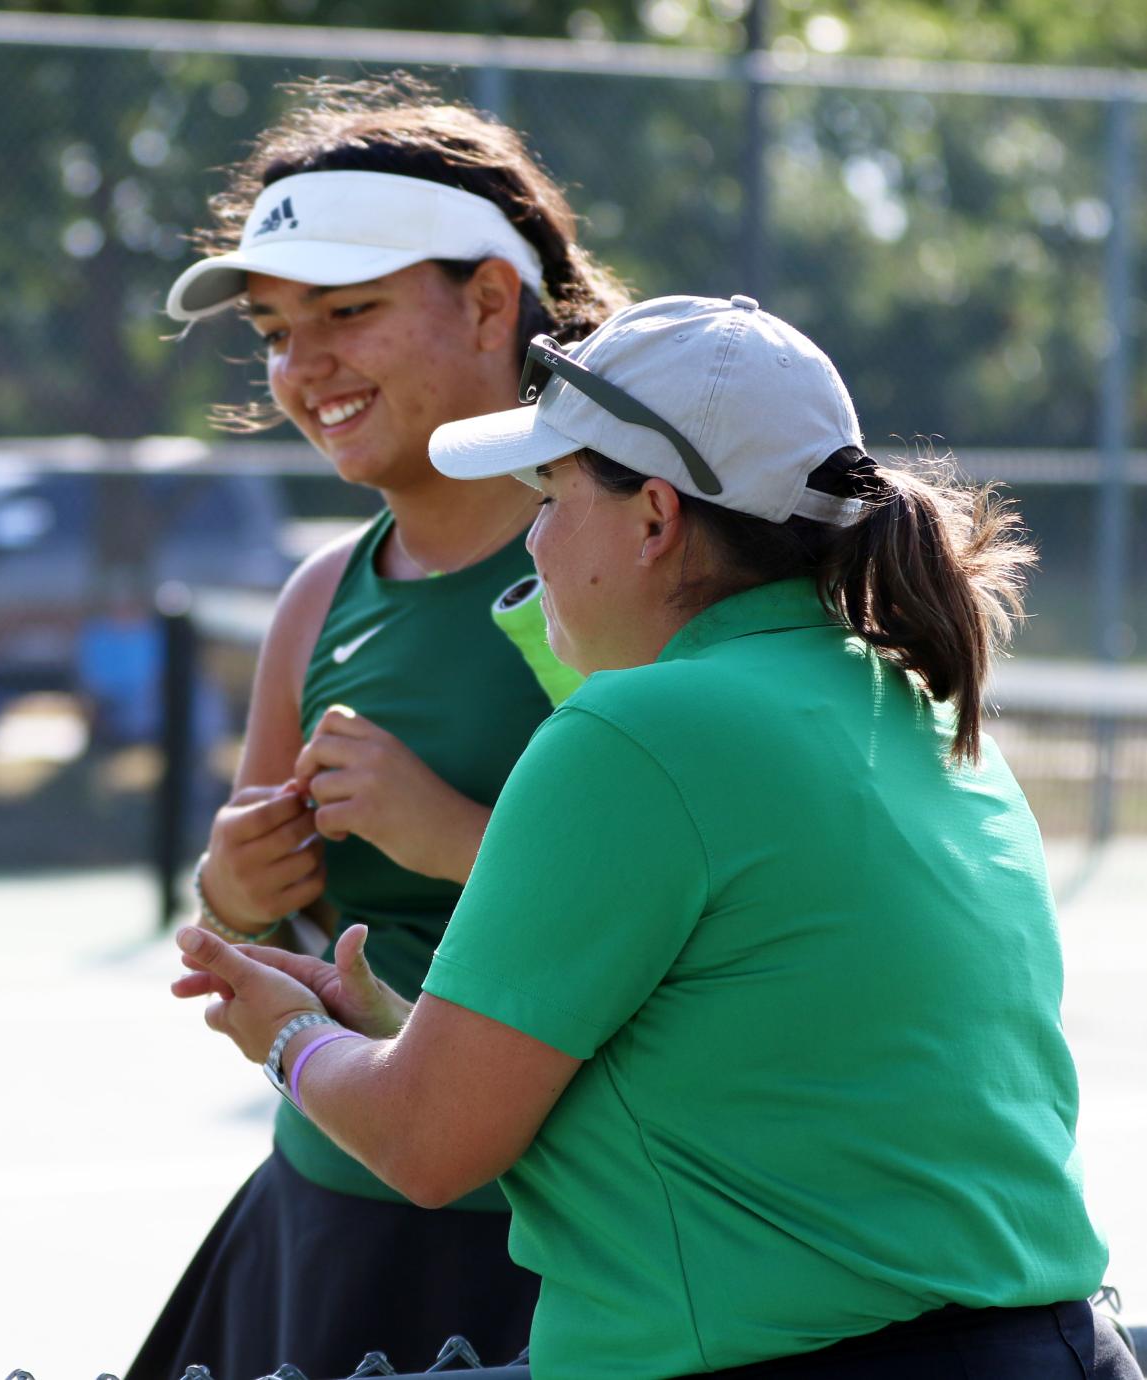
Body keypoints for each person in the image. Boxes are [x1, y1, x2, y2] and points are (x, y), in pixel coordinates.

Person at [173, 292, 1142, 1378]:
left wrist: (292, 1038)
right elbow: (725, 1099)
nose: (533, 538)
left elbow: (426, 1143)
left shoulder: (632, 731)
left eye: (551, 494)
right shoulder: (910, 700)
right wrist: (404, 1033)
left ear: (653, 516)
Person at [128, 76, 628, 1379]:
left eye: (348, 312)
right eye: (275, 330)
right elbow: (262, 923)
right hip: (332, 1201)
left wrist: (451, 833)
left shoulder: (629, 563)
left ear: (488, 302)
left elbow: (694, 898)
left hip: (563, 1238)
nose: (303, 367)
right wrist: (235, 889)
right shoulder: (315, 599)